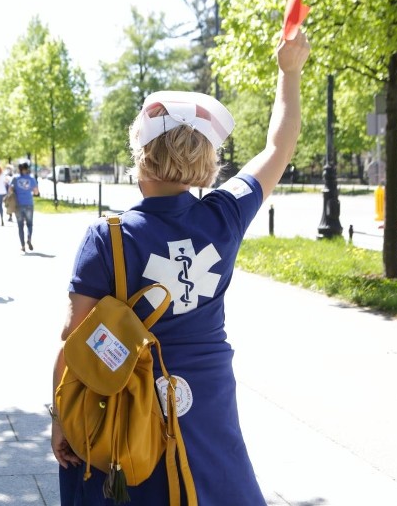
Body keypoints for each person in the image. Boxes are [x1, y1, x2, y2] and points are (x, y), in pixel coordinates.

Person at [51, 32, 310, 505]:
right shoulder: (224, 214)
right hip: (208, 396)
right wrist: (288, 72)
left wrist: (60, 418)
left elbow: (75, 338)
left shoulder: (107, 238)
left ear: (141, 157)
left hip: (129, 406)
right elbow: (279, 145)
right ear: (207, 162)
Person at [11, 158, 39, 252]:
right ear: (27, 168)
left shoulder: (15, 179)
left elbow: (10, 191)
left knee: (20, 226)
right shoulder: (31, 179)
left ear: (19, 168)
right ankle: (29, 238)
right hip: (29, 204)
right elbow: (36, 192)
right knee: (30, 224)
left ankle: (22, 246)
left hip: (18, 204)